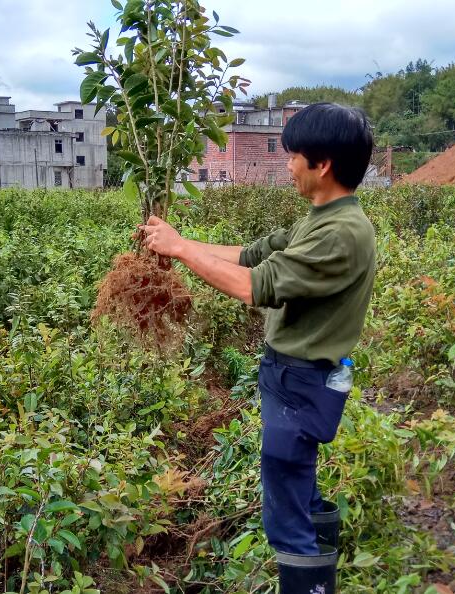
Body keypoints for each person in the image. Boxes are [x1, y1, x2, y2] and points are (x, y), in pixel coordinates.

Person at [140, 102, 376, 593]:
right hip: (291, 377)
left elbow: (254, 285)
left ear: (323, 163)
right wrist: (181, 242)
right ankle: (321, 558)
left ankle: (309, 581)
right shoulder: (322, 218)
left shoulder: (343, 234)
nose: (287, 166)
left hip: (302, 383)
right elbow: (251, 256)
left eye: (293, 156)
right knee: (300, 491)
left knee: (286, 514)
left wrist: (181, 249)